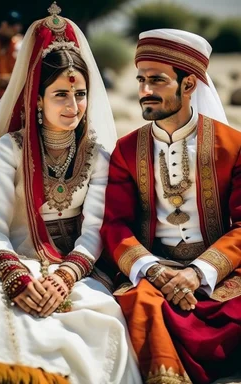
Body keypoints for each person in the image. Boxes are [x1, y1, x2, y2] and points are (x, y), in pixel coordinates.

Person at [0, 3, 142, 384]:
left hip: (76, 270)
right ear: (37, 99)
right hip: (13, 262)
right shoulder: (11, 148)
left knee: (103, 322)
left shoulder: (97, 154)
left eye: (81, 95)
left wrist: (65, 276)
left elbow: (93, 232)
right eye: (60, 95)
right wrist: (17, 279)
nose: (74, 107)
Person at [100, 28, 241, 384]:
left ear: (189, 84)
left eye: (157, 81)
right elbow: (114, 225)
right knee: (142, 306)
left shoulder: (233, 145)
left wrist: (197, 273)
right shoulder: (126, 150)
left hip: (216, 274)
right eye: (141, 80)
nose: (144, 91)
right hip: (154, 273)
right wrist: (153, 270)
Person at [0, 10, 23, 101]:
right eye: (11, 27)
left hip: (11, 90)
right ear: (4, 25)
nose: (14, 31)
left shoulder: (18, 44)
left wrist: (11, 79)